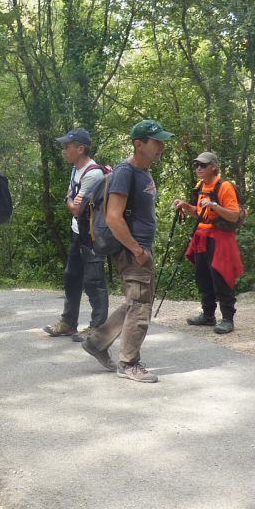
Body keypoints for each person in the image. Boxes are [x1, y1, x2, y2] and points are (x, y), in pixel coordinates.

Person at [80, 120, 174, 383]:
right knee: (140, 305)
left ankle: (97, 343)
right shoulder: (125, 172)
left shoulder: (143, 172)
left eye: (162, 142)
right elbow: (113, 217)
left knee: (135, 302)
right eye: (157, 142)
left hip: (140, 249)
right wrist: (137, 250)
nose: (162, 147)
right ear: (138, 144)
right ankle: (129, 363)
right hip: (132, 250)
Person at [43, 128, 109, 341]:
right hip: (77, 232)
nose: (63, 150)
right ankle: (68, 323)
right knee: (72, 277)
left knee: (94, 281)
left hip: (93, 235)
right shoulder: (75, 170)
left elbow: (75, 208)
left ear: (81, 148)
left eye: (67, 146)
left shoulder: (93, 173)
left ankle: (97, 328)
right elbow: (74, 201)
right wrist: (72, 199)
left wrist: (69, 199)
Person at [172, 151, 244, 334]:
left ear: (214, 166)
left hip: (220, 237)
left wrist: (215, 206)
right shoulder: (201, 186)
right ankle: (208, 315)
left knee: (220, 276)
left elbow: (234, 214)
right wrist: (186, 206)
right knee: (202, 276)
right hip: (202, 235)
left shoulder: (225, 186)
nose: (198, 168)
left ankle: (227, 318)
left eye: (203, 165)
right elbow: (199, 213)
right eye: (197, 165)